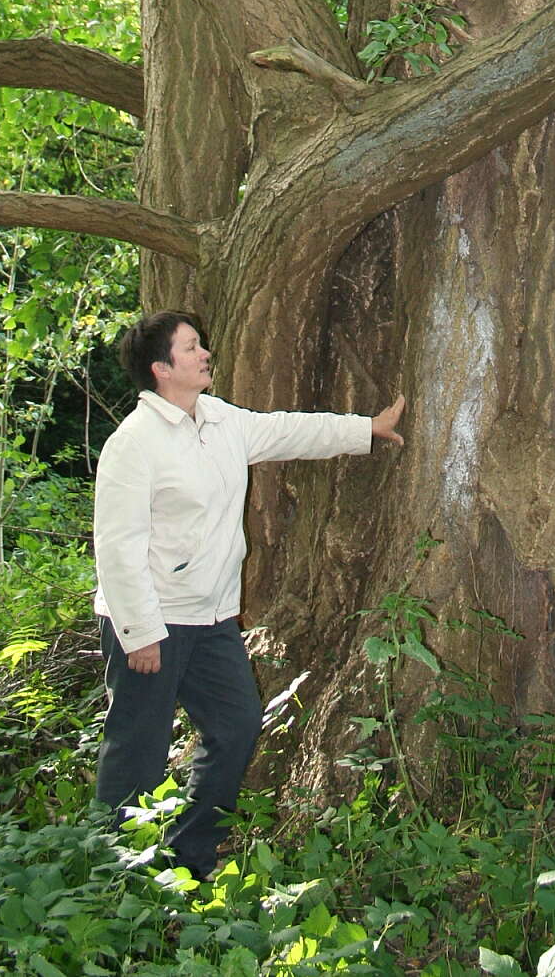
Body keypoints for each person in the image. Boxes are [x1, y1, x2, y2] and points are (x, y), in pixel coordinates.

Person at [93, 309, 405, 879]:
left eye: (200, 345)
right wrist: (138, 632)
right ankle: (116, 876)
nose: (204, 354)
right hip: (152, 621)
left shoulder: (218, 420)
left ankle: (192, 856)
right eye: (191, 348)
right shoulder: (133, 444)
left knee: (236, 726)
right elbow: (117, 546)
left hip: (213, 620)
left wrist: (364, 429)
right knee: (137, 748)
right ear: (162, 369)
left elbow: (289, 431)